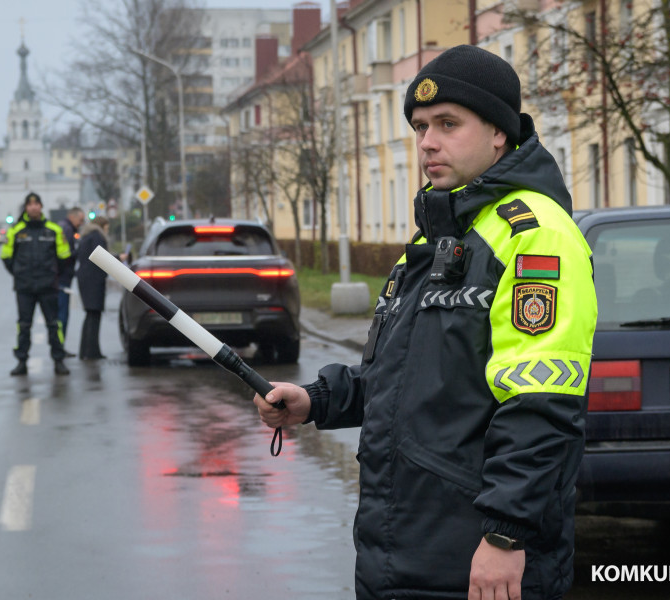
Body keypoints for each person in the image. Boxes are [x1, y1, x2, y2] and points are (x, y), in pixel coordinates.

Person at [253, 45, 597, 600]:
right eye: (419, 127)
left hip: (475, 555)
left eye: (447, 124)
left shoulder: (535, 236)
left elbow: (541, 405)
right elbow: (402, 376)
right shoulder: (436, 237)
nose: (428, 142)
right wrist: (317, 400)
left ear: (499, 132)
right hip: (400, 549)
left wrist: (506, 534)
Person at [1, 192, 73, 376]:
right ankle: (21, 362)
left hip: (48, 286)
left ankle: (58, 360)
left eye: (36, 204)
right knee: (24, 326)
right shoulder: (16, 231)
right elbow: (6, 256)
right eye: (30, 204)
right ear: (26, 208)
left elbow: (64, 256)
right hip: (24, 288)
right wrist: (19, 273)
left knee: (53, 325)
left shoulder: (54, 230)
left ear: (41, 207)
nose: (33, 207)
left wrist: (53, 274)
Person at [75, 215, 111, 360]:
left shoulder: (87, 235)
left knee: (90, 315)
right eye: (107, 228)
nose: (107, 231)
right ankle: (92, 352)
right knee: (94, 315)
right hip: (94, 279)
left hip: (86, 278)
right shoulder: (97, 236)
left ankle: (86, 351)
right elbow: (101, 257)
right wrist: (118, 258)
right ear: (102, 226)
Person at [57, 206, 85, 355]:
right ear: (72, 217)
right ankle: (59, 348)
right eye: (80, 220)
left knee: (60, 315)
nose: (81, 223)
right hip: (62, 280)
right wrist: (79, 252)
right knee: (62, 315)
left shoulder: (63, 227)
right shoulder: (67, 230)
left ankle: (59, 347)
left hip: (60, 278)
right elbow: (65, 255)